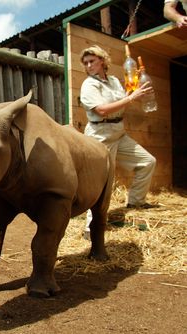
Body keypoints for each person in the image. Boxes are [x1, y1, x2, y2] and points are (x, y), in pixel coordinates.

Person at [79, 45, 157, 237]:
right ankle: (91, 228)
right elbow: (103, 110)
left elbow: (124, 101)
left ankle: (136, 201)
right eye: (86, 62)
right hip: (100, 135)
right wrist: (131, 99)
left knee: (147, 162)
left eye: (92, 61)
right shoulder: (89, 84)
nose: (88, 65)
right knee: (101, 181)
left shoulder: (113, 81)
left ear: (103, 61)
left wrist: (139, 94)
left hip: (118, 132)